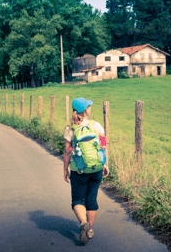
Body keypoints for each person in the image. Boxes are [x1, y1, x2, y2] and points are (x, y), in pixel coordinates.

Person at [63, 97, 109, 244]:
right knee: (91, 199)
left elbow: (67, 151)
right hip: (96, 168)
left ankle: (83, 223)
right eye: (89, 106)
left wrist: (65, 169)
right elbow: (103, 145)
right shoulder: (96, 126)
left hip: (79, 170)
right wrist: (105, 163)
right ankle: (89, 230)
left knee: (78, 199)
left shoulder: (71, 129)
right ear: (86, 110)